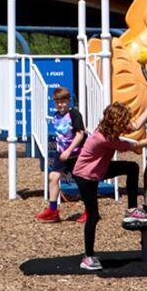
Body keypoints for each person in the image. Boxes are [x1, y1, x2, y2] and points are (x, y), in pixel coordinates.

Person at [71, 101, 147, 271]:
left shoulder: (112, 128)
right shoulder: (103, 138)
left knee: (132, 168)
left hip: (100, 169)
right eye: (124, 121)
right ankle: (88, 257)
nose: (127, 124)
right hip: (85, 176)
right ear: (117, 122)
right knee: (93, 216)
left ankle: (131, 210)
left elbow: (135, 125)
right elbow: (134, 146)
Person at [37, 87, 85, 223]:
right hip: (61, 154)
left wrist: (69, 150)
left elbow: (80, 134)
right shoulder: (55, 116)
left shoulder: (74, 114)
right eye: (58, 102)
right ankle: (53, 210)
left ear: (69, 101)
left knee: (82, 183)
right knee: (53, 177)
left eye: (63, 102)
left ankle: (90, 210)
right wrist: (61, 150)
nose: (60, 105)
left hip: (75, 154)